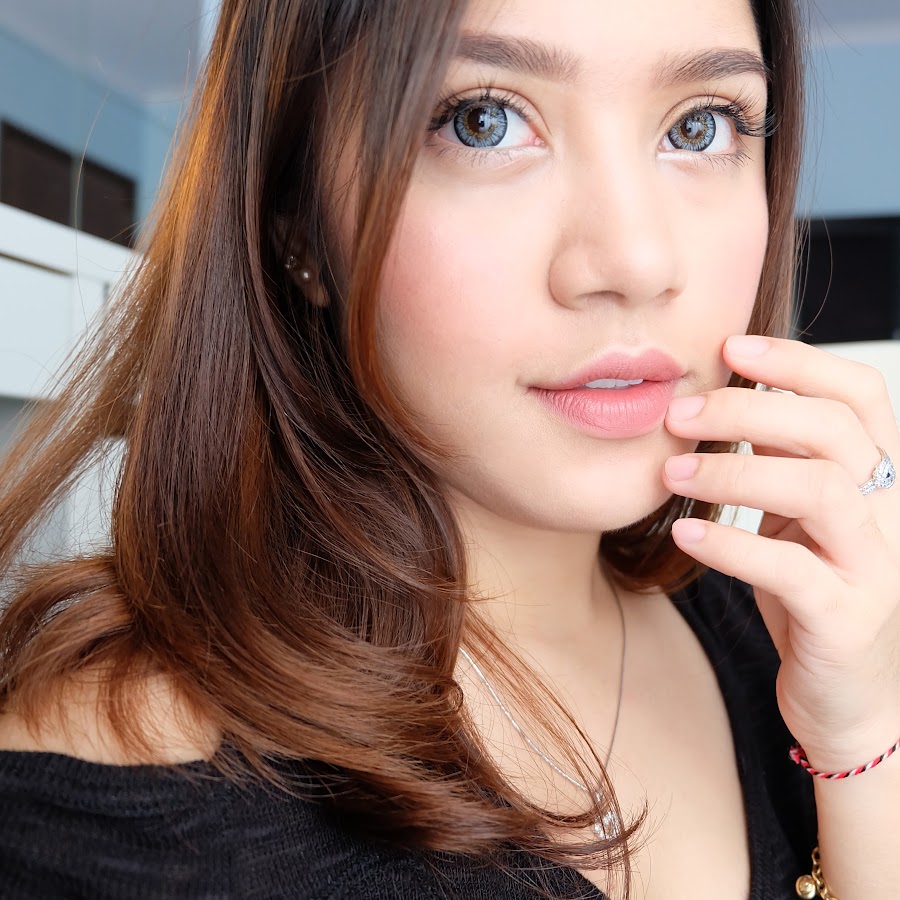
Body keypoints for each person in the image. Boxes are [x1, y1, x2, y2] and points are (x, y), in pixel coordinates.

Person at [0, 0, 897, 897]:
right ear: (296, 219)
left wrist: (861, 741)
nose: (636, 262)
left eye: (700, 127)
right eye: (483, 121)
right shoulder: (124, 797)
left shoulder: (783, 642)